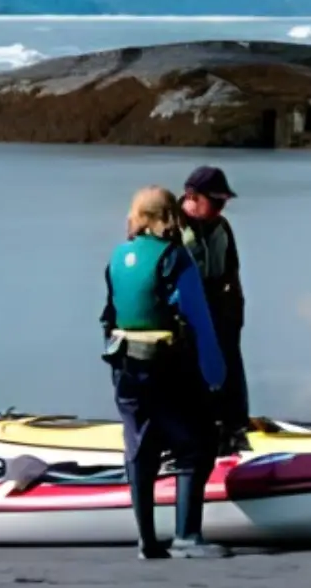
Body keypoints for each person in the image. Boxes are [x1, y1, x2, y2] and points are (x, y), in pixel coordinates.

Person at [102, 186, 231, 559]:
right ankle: (187, 535)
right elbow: (198, 319)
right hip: (167, 369)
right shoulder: (175, 258)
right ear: (168, 216)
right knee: (197, 445)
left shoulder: (117, 256)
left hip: (125, 368)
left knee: (140, 450)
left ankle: (146, 540)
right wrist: (216, 376)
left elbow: (110, 313)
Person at [178, 165, 249, 450]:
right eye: (215, 201)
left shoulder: (222, 227)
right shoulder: (170, 227)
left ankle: (235, 428)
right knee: (190, 376)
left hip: (220, 307)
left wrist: (236, 311)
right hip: (184, 311)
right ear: (191, 196)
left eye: (224, 202)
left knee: (229, 366)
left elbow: (232, 270)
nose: (221, 207)